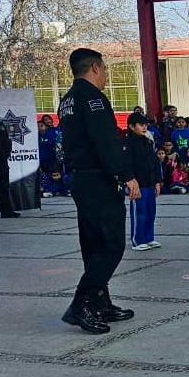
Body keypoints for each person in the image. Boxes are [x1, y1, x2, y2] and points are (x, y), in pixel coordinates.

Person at [58, 48, 140, 334]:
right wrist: (127, 175)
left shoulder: (67, 99)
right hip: (98, 179)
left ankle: (100, 302)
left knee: (93, 244)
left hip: (80, 178)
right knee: (111, 244)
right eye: (104, 69)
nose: (105, 75)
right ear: (94, 67)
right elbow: (105, 141)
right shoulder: (93, 99)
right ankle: (81, 305)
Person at [124, 113, 161, 251]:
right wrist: (131, 181)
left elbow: (154, 162)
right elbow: (127, 164)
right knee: (139, 212)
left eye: (145, 124)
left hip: (150, 183)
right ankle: (137, 240)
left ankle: (149, 237)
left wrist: (157, 181)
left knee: (151, 211)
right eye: (141, 124)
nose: (144, 127)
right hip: (138, 184)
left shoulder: (148, 141)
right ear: (132, 126)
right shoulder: (128, 143)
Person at [0, 106, 19, 218]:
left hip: (1, 160)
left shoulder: (0, 124)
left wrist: (6, 153)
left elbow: (6, 140)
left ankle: (6, 210)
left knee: (4, 186)